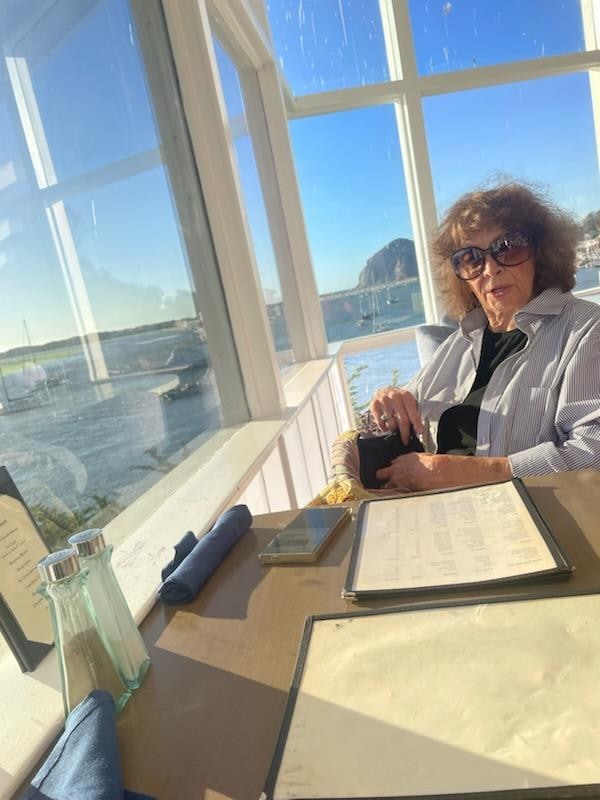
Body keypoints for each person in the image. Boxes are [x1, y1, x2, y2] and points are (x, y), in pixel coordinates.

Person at [369, 182, 600, 493]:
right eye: (471, 258)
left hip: (524, 513)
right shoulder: (461, 342)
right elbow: (407, 404)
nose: (490, 269)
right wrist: (390, 397)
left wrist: (456, 473)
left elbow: (592, 452)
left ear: (540, 253)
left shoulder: (585, 329)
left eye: (508, 247)